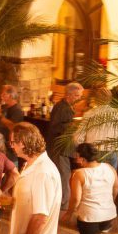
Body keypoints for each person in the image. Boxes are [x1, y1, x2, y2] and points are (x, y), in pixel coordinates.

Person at [5, 123, 62, 234]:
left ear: (23, 142)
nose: (12, 146)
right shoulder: (31, 165)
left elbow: (40, 218)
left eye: (13, 142)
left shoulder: (42, 172)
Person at [63, 143, 118, 234]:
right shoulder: (109, 168)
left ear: (81, 158)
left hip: (89, 216)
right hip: (108, 215)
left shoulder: (80, 174)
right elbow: (116, 187)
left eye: (77, 156)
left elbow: (75, 199)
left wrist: (69, 213)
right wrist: (108, 202)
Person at [45, 82, 84, 211]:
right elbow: (56, 127)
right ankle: (63, 205)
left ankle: (61, 203)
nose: (79, 98)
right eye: (77, 95)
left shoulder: (65, 107)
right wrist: (73, 125)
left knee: (63, 175)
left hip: (61, 148)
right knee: (63, 176)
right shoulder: (63, 108)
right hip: (59, 148)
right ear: (69, 94)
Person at [73, 86, 118, 169]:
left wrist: (80, 150)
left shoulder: (89, 114)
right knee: (110, 179)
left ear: (96, 100)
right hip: (112, 152)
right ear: (110, 99)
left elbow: (78, 137)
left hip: (93, 153)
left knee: (94, 180)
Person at [0, 85, 26, 164]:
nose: (1, 96)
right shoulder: (5, 107)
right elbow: (1, 120)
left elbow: (13, 127)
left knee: (10, 171)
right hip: (1, 146)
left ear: (11, 96)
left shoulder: (17, 110)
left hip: (9, 149)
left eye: (3, 94)